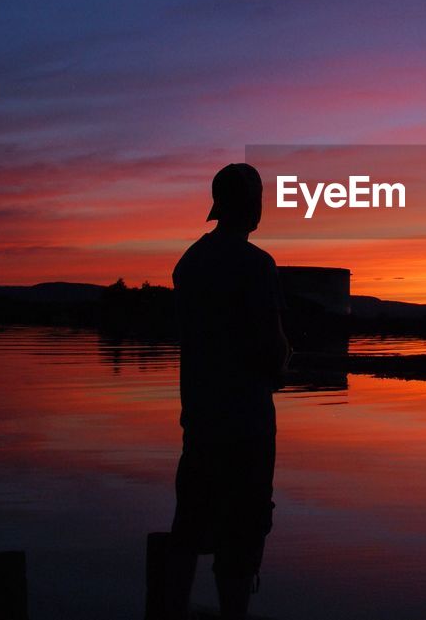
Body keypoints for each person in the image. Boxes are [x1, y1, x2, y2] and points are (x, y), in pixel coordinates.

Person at [163, 163, 290, 620]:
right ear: (247, 203)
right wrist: (279, 364)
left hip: (200, 419)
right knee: (243, 531)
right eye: (259, 195)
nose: (262, 205)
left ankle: (168, 610)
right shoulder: (257, 265)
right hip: (248, 426)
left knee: (190, 524)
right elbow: (271, 347)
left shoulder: (188, 263)